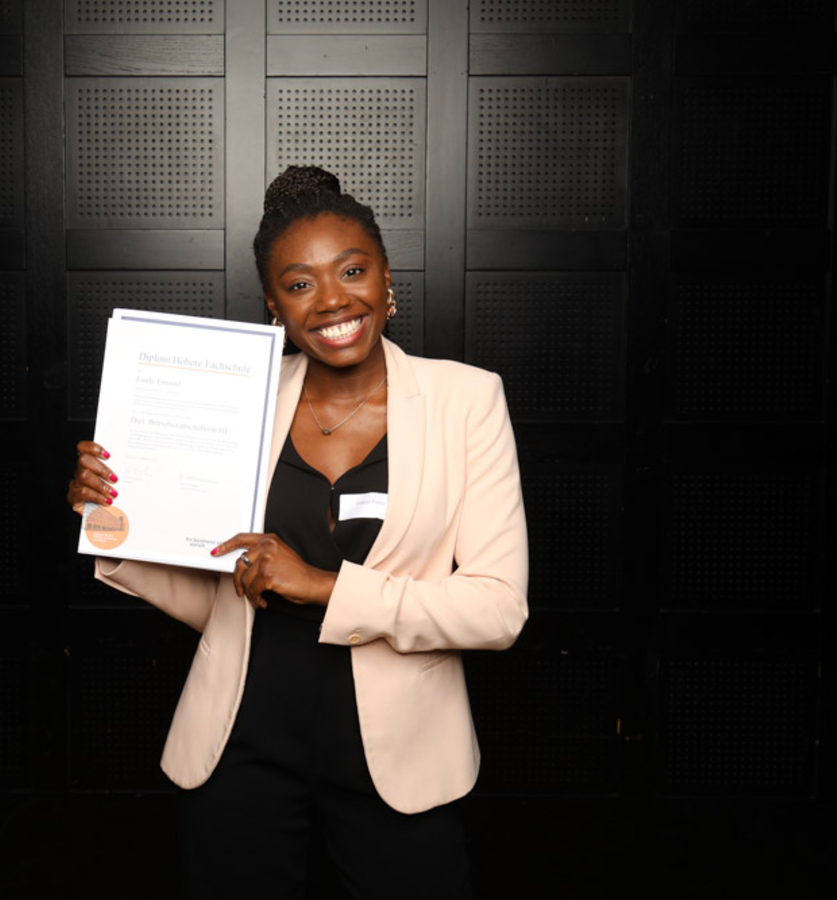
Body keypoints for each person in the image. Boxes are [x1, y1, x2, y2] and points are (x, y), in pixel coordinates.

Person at [67, 166, 528, 898]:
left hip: (401, 750)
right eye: (300, 283)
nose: (333, 300)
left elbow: (497, 609)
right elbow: (217, 588)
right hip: (242, 738)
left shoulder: (466, 400)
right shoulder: (235, 396)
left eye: (353, 270)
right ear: (273, 305)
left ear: (387, 278)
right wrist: (111, 516)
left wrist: (322, 587)